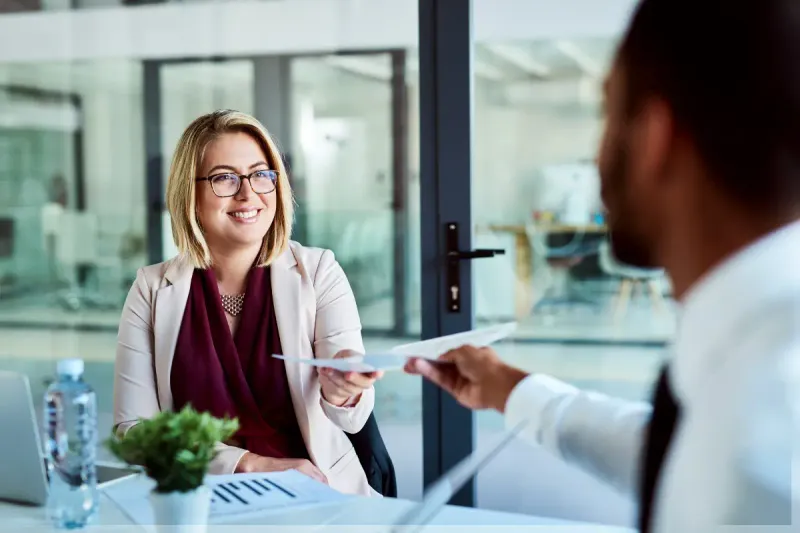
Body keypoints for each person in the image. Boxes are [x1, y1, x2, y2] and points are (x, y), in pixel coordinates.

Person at [407, 0, 799, 531]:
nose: (597, 156)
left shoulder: (771, 412)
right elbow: (680, 456)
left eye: (610, 115)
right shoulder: (751, 380)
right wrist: (511, 388)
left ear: (654, 139)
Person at [114, 110, 383, 496]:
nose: (248, 193)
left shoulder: (319, 271)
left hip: (318, 491)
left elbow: (354, 418)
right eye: (225, 178)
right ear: (189, 193)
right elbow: (134, 431)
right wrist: (246, 465)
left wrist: (343, 391)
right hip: (201, 495)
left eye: (261, 174)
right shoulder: (153, 288)